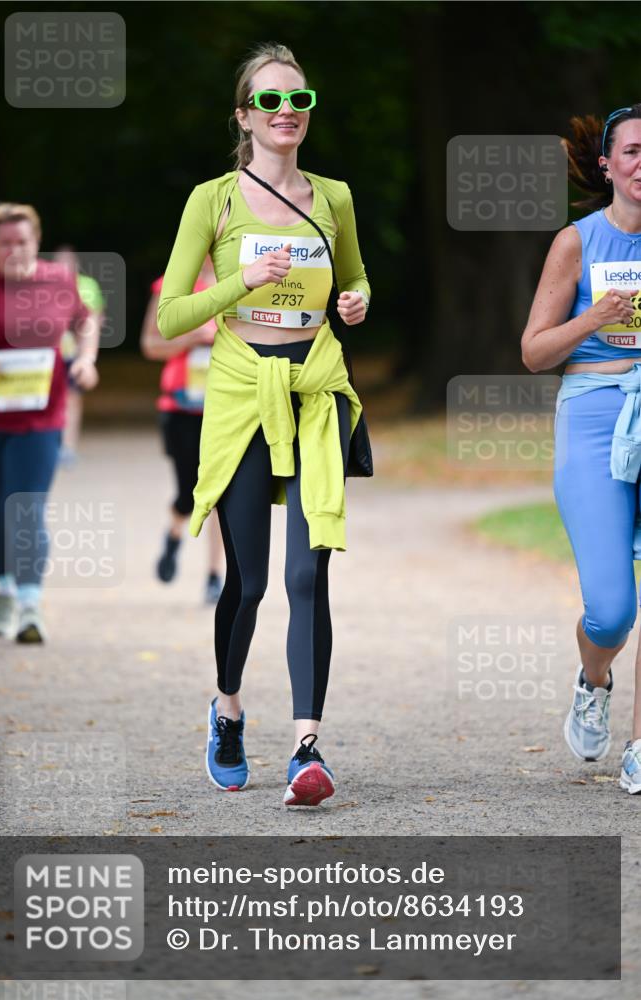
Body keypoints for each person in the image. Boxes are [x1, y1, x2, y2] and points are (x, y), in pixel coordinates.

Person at [157, 43, 370, 806]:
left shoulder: (334, 198)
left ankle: (306, 747)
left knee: (308, 574)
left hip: (314, 391)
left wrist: (355, 304)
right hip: (243, 393)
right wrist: (238, 281)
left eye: (299, 102)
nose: (287, 113)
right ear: (245, 116)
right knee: (244, 584)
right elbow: (171, 314)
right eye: (271, 102)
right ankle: (226, 711)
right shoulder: (211, 201)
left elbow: (353, 281)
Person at [521, 105, 641, 794]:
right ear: (606, 164)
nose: (640, 164)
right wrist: (592, 318)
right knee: (610, 608)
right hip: (592, 413)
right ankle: (592, 677)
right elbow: (533, 352)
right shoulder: (577, 243)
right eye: (630, 152)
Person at [0, 203, 100, 642]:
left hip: (43, 417)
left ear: (36, 242)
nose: (15, 249)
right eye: (5, 242)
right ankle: (6, 590)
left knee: (25, 509)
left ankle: (30, 605)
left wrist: (86, 359)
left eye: (23, 241)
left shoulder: (58, 280)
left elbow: (87, 323)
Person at [140, 256, 226, 604]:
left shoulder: (246, 279)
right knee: (188, 493)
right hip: (181, 406)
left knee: (222, 493)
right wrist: (192, 338)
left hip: (227, 407)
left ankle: (214, 576)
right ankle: (174, 536)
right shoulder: (172, 285)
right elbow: (150, 345)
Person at [53, 246, 106, 467]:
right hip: (52, 353)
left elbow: (97, 317)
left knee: (73, 399)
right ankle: (51, 445)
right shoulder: (43, 285)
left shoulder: (87, 285)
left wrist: (86, 346)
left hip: (74, 352)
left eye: (68, 262)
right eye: (59, 262)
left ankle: (68, 447)